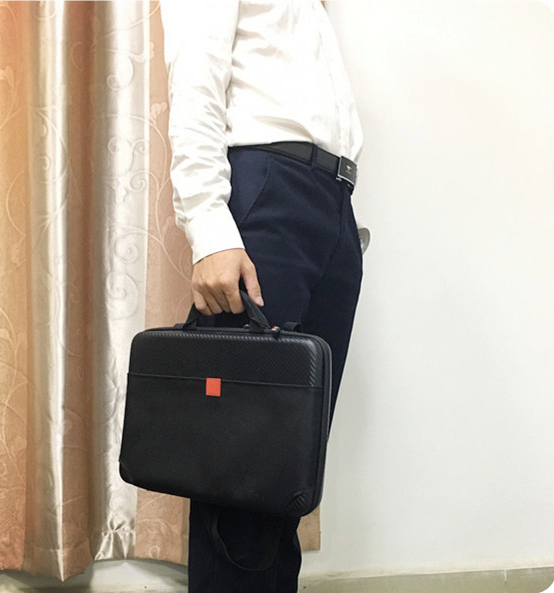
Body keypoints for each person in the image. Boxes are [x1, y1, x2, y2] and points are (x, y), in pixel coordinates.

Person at [159, 1, 370, 591]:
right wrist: (209, 228)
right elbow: (196, 73)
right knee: (242, 468)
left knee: (288, 466)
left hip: (331, 203)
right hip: (270, 190)